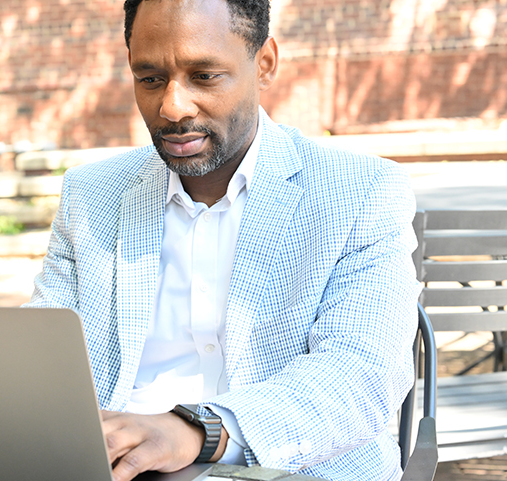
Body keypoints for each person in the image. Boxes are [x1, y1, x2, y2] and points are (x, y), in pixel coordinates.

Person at [25, 0, 420, 479]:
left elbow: (360, 375)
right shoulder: (91, 196)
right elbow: (40, 361)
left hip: (292, 467)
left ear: (265, 64)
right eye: (150, 78)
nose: (173, 106)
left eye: (204, 76)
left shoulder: (359, 193)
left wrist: (196, 431)